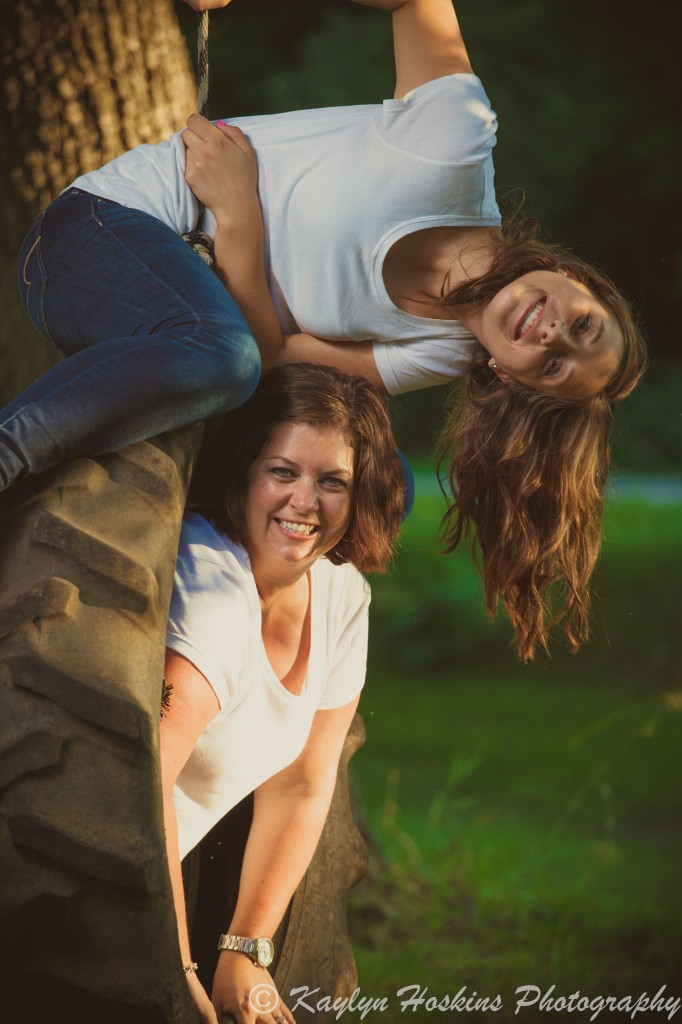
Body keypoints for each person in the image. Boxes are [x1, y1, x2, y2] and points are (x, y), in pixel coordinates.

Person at [6, 0, 646, 658]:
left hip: (174, 330)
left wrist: (240, 214)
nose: (552, 335)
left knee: (375, 479)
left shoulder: (446, 350)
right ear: (580, 282)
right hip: (102, 233)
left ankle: (211, 651)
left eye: (554, 366)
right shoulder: (454, 141)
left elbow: (279, 358)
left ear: (512, 378)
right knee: (223, 358)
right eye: (585, 327)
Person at [159, 362, 404, 1024]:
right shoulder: (210, 593)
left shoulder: (343, 595)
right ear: (244, 474)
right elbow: (141, 789)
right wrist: (174, 968)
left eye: (333, 482)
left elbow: (302, 783)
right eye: (284, 472)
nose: (305, 501)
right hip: (118, 868)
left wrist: (244, 953)